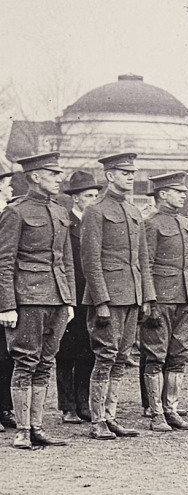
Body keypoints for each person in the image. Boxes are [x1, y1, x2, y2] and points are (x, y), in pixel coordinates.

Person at [0, 153, 74, 449]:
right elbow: (4, 262)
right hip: (27, 297)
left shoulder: (59, 211)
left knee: (45, 362)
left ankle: (38, 427)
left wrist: (68, 300)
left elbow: (65, 260)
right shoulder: (16, 212)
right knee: (25, 362)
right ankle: (21, 430)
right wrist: (6, 304)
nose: (58, 178)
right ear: (34, 176)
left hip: (56, 298)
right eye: (53, 173)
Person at [82, 153, 156, 440]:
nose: (130, 177)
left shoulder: (134, 211)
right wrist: (100, 300)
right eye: (124, 172)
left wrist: (147, 296)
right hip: (109, 299)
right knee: (106, 356)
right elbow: (90, 259)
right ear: (109, 175)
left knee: (122, 357)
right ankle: (97, 420)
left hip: (133, 296)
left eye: (132, 172)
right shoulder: (96, 210)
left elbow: (142, 260)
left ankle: (110, 417)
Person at [140, 171, 188, 431]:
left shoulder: (187, 224)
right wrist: (150, 301)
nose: (184, 195)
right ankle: (155, 414)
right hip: (162, 300)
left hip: (185, 299)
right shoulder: (151, 224)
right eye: (179, 191)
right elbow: (146, 264)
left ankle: (171, 410)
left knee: (178, 356)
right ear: (163, 194)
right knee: (156, 355)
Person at [54, 171, 101, 425]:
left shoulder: (97, 223)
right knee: (67, 351)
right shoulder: (66, 223)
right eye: (88, 195)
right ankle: (67, 406)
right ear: (75, 198)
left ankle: (84, 403)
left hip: (93, 295)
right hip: (72, 294)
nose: (93, 200)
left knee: (89, 350)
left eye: (96, 195)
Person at [0, 166, 15, 432]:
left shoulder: (9, 212)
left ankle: (4, 407)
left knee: (5, 355)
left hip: (7, 291)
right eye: (6, 183)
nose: (11, 187)